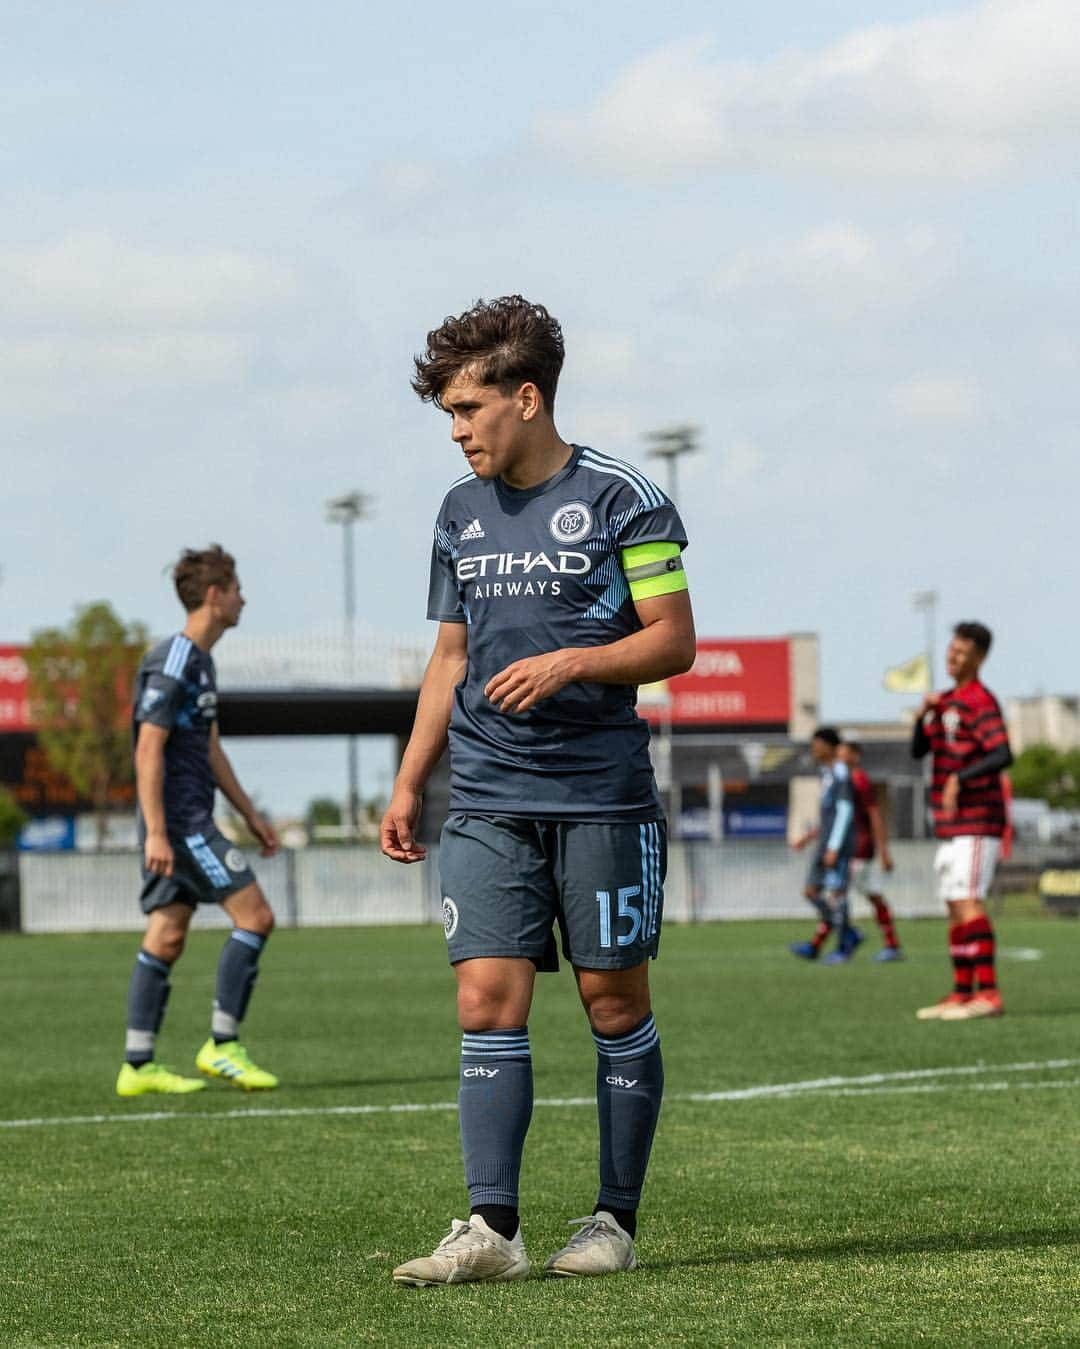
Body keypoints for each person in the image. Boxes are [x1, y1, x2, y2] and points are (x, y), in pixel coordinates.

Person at [380, 295, 696, 1285]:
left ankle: (613, 1220)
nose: (459, 429)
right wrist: (409, 779)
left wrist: (570, 663)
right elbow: (449, 655)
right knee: (485, 998)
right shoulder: (456, 511)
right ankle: (492, 1228)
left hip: (600, 794)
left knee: (611, 1001)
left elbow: (674, 639)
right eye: (448, 415)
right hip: (485, 792)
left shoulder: (622, 497)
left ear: (526, 395)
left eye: (469, 408)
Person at [116, 545, 281, 1097]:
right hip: (182, 824)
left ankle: (137, 1067)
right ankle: (222, 1045)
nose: (243, 599)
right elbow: (148, 748)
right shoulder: (177, 658)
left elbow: (209, 750)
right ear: (214, 596)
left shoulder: (200, 663)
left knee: (166, 935)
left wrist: (251, 814)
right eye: (236, 589)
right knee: (255, 916)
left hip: (187, 818)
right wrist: (160, 831)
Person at [912, 622, 1012, 1021]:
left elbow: (1002, 753)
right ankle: (961, 992)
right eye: (950, 651)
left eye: (960, 653)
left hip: (978, 819)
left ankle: (988, 993)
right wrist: (923, 717)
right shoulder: (948, 701)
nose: (951, 658)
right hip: (952, 825)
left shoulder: (979, 700)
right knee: (955, 904)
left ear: (979, 658)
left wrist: (960, 778)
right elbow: (920, 751)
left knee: (969, 901)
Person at [789, 727, 861, 965]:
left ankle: (844, 945)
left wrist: (833, 846)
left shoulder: (841, 773)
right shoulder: (827, 773)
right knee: (811, 891)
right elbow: (829, 816)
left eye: (817, 744)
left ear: (829, 747)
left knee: (838, 894)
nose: (814, 749)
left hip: (836, 846)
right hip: (824, 843)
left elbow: (845, 811)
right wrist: (810, 837)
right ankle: (848, 932)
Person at [838, 740, 903, 962]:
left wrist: (884, 850)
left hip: (860, 847)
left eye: (844, 753)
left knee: (838, 893)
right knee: (872, 894)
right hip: (851, 847)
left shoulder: (860, 781)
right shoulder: (845, 781)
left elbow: (875, 814)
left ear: (855, 755)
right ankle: (891, 944)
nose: (840, 756)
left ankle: (845, 941)